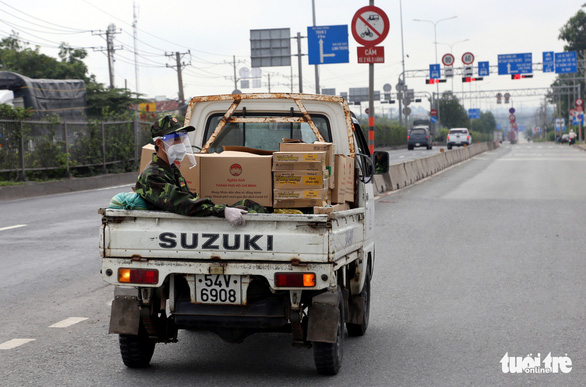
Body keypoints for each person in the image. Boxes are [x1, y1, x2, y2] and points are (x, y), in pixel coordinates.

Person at [135, 115, 264, 226]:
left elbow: (189, 197)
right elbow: (182, 203)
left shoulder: (170, 168)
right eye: (176, 139)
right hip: (175, 226)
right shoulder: (152, 176)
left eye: (182, 138)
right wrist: (222, 210)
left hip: (184, 222)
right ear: (159, 143)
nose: (181, 143)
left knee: (248, 205)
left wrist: (222, 207)